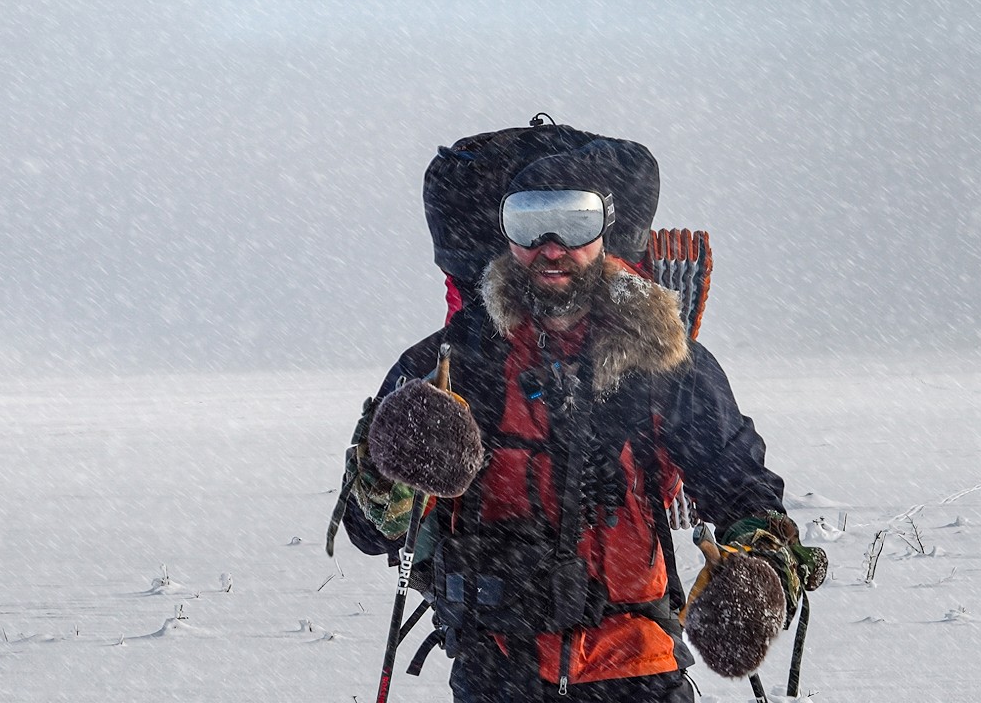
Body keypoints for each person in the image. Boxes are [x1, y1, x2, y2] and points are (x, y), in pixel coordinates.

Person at [340, 140, 825, 702]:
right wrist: (393, 476)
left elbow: (743, 490)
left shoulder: (666, 363)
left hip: (637, 669)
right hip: (494, 672)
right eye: (529, 223)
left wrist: (760, 572)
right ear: (505, 233)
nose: (551, 248)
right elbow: (368, 529)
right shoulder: (445, 365)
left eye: (575, 222)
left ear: (607, 230)